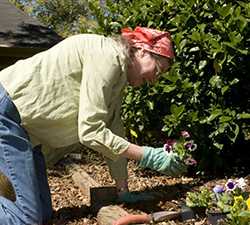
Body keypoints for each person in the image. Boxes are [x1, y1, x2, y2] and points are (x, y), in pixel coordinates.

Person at [0, 26, 186, 225]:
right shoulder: (107, 56)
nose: (154, 80)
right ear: (141, 50)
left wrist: (122, 190)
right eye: (157, 70)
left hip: (26, 132)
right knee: (26, 219)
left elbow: (114, 130)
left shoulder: (117, 77)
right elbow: (91, 131)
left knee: (43, 214)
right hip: (7, 115)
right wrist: (147, 155)